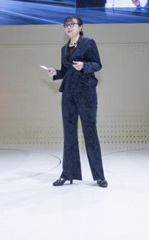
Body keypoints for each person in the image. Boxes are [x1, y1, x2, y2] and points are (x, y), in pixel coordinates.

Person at [45, 15, 107, 188]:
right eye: (66, 24)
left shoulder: (88, 43)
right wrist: (55, 73)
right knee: (69, 134)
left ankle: (99, 176)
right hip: (68, 94)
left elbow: (97, 64)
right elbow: (66, 72)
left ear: (80, 27)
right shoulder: (64, 49)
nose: (69, 27)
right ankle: (67, 174)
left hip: (86, 93)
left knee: (90, 133)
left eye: (72, 24)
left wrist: (84, 66)